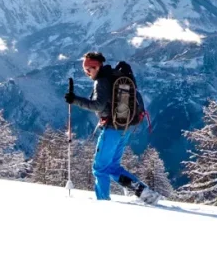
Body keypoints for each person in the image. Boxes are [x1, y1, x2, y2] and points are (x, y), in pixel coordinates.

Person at [64, 52, 160, 203]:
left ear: (97, 66)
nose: (87, 72)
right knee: (113, 167)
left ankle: (103, 203)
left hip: (112, 129)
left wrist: (75, 100)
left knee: (100, 168)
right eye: (85, 69)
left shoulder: (101, 81)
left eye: (89, 68)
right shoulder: (114, 75)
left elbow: (98, 105)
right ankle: (145, 193)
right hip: (125, 127)